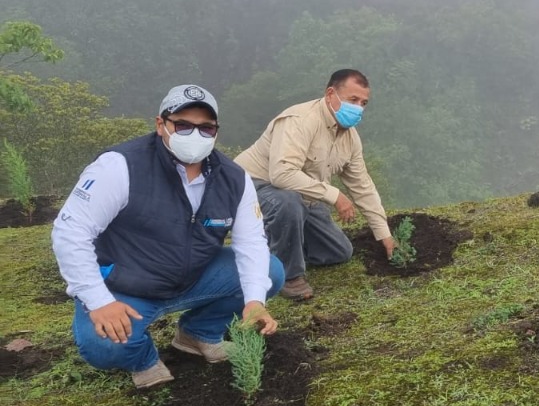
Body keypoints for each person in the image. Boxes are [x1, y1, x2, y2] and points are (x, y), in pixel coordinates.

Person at [52, 84, 284, 389]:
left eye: (206, 128)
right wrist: (99, 301)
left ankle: (197, 334)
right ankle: (143, 359)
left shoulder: (234, 178)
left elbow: (251, 242)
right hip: (125, 287)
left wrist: (254, 301)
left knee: (270, 271)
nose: (195, 135)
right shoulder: (120, 166)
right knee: (104, 345)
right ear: (161, 124)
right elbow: (71, 232)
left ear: (216, 132)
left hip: (192, 278)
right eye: (184, 125)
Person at [235, 69, 395, 301]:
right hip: (253, 186)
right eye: (353, 100)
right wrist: (335, 195)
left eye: (363, 102)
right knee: (287, 202)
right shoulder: (299, 121)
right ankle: (288, 276)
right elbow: (282, 174)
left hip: (302, 195)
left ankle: (279, 247)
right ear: (331, 94)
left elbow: (362, 185)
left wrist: (384, 234)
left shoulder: (350, 137)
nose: (359, 108)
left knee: (339, 252)